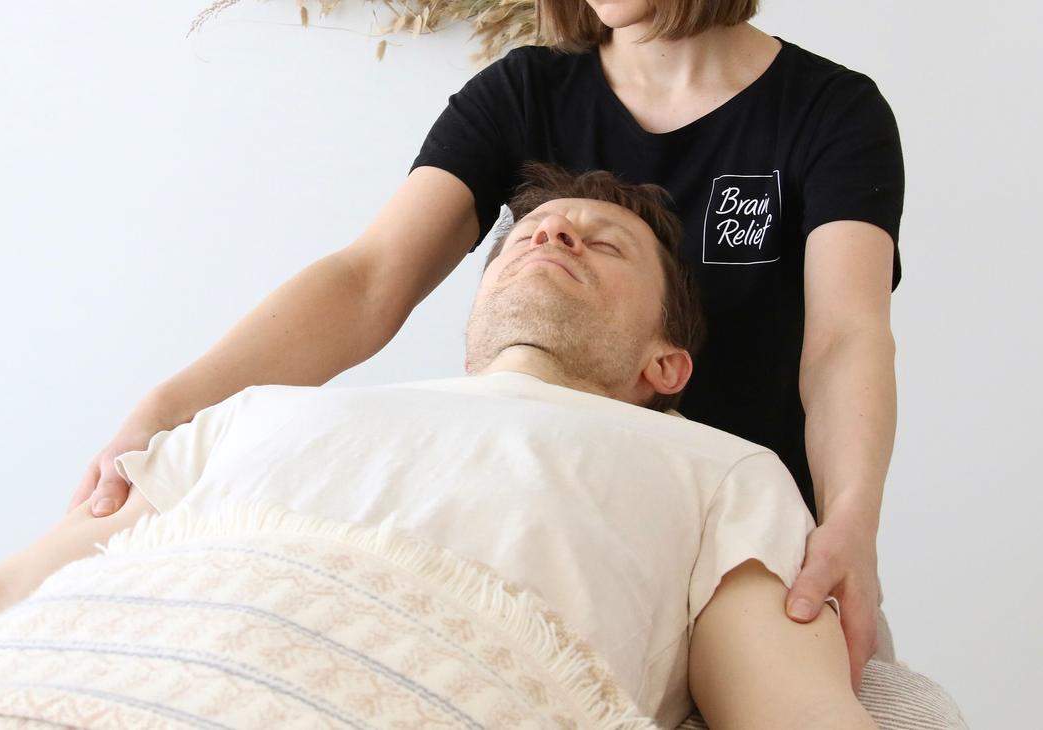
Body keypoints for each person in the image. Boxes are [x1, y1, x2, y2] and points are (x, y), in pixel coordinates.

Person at [70, 0, 904, 695]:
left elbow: (843, 338)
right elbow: (368, 280)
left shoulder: (829, 111)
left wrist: (851, 522)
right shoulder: (525, 91)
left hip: (732, 541)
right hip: (557, 517)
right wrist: (168, 410)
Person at [0, 166, 878, 728]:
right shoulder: (253, 413)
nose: (555, 231)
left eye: (604, 244)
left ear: (664, 365)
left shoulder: (721, 470)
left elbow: (797, 715)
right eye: (530, 233)